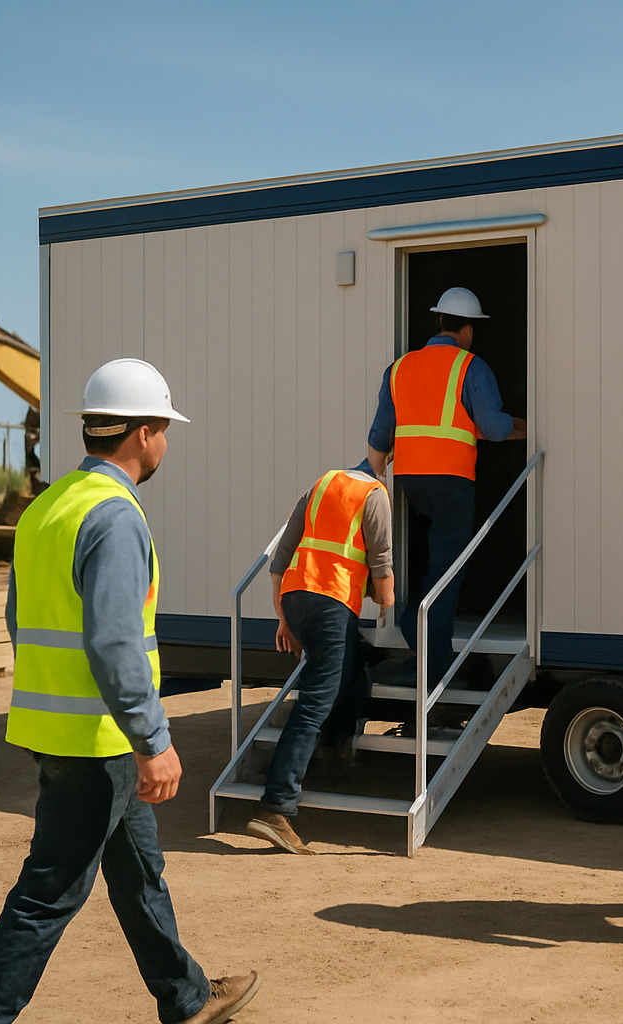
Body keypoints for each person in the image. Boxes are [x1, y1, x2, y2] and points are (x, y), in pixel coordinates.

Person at [0, 359, 259, 1024]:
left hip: (62, 731)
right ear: (143, 433)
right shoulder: (115, 516)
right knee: (46, 896)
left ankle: (186, 997)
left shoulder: (48, 506)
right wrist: (153, 740)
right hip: (98, 740)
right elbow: (116, 642)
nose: (166, 442)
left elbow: (19, 618)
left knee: (139, 871)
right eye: (164, 429)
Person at [367, 286, 526, 692]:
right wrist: (526, 428)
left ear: (439, 321)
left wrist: (373, 481)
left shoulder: (399, 368)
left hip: (409, 481)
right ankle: (430, 653)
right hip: (451, 481)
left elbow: (380, 436)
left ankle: (419, 630)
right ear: (468, 329)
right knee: (448, 569)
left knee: (434, 559)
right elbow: (493, 427)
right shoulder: (471, 366)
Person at [245, 461, 394, 854]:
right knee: (313, 704)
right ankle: (276, 806)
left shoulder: (322, 485)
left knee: (352, 668)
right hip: (332, 603)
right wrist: (388, 603)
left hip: (296, 598)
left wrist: (284, 619)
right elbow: (382, 567)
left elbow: (280, 560)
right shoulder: (375, 496)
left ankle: (335, 750)